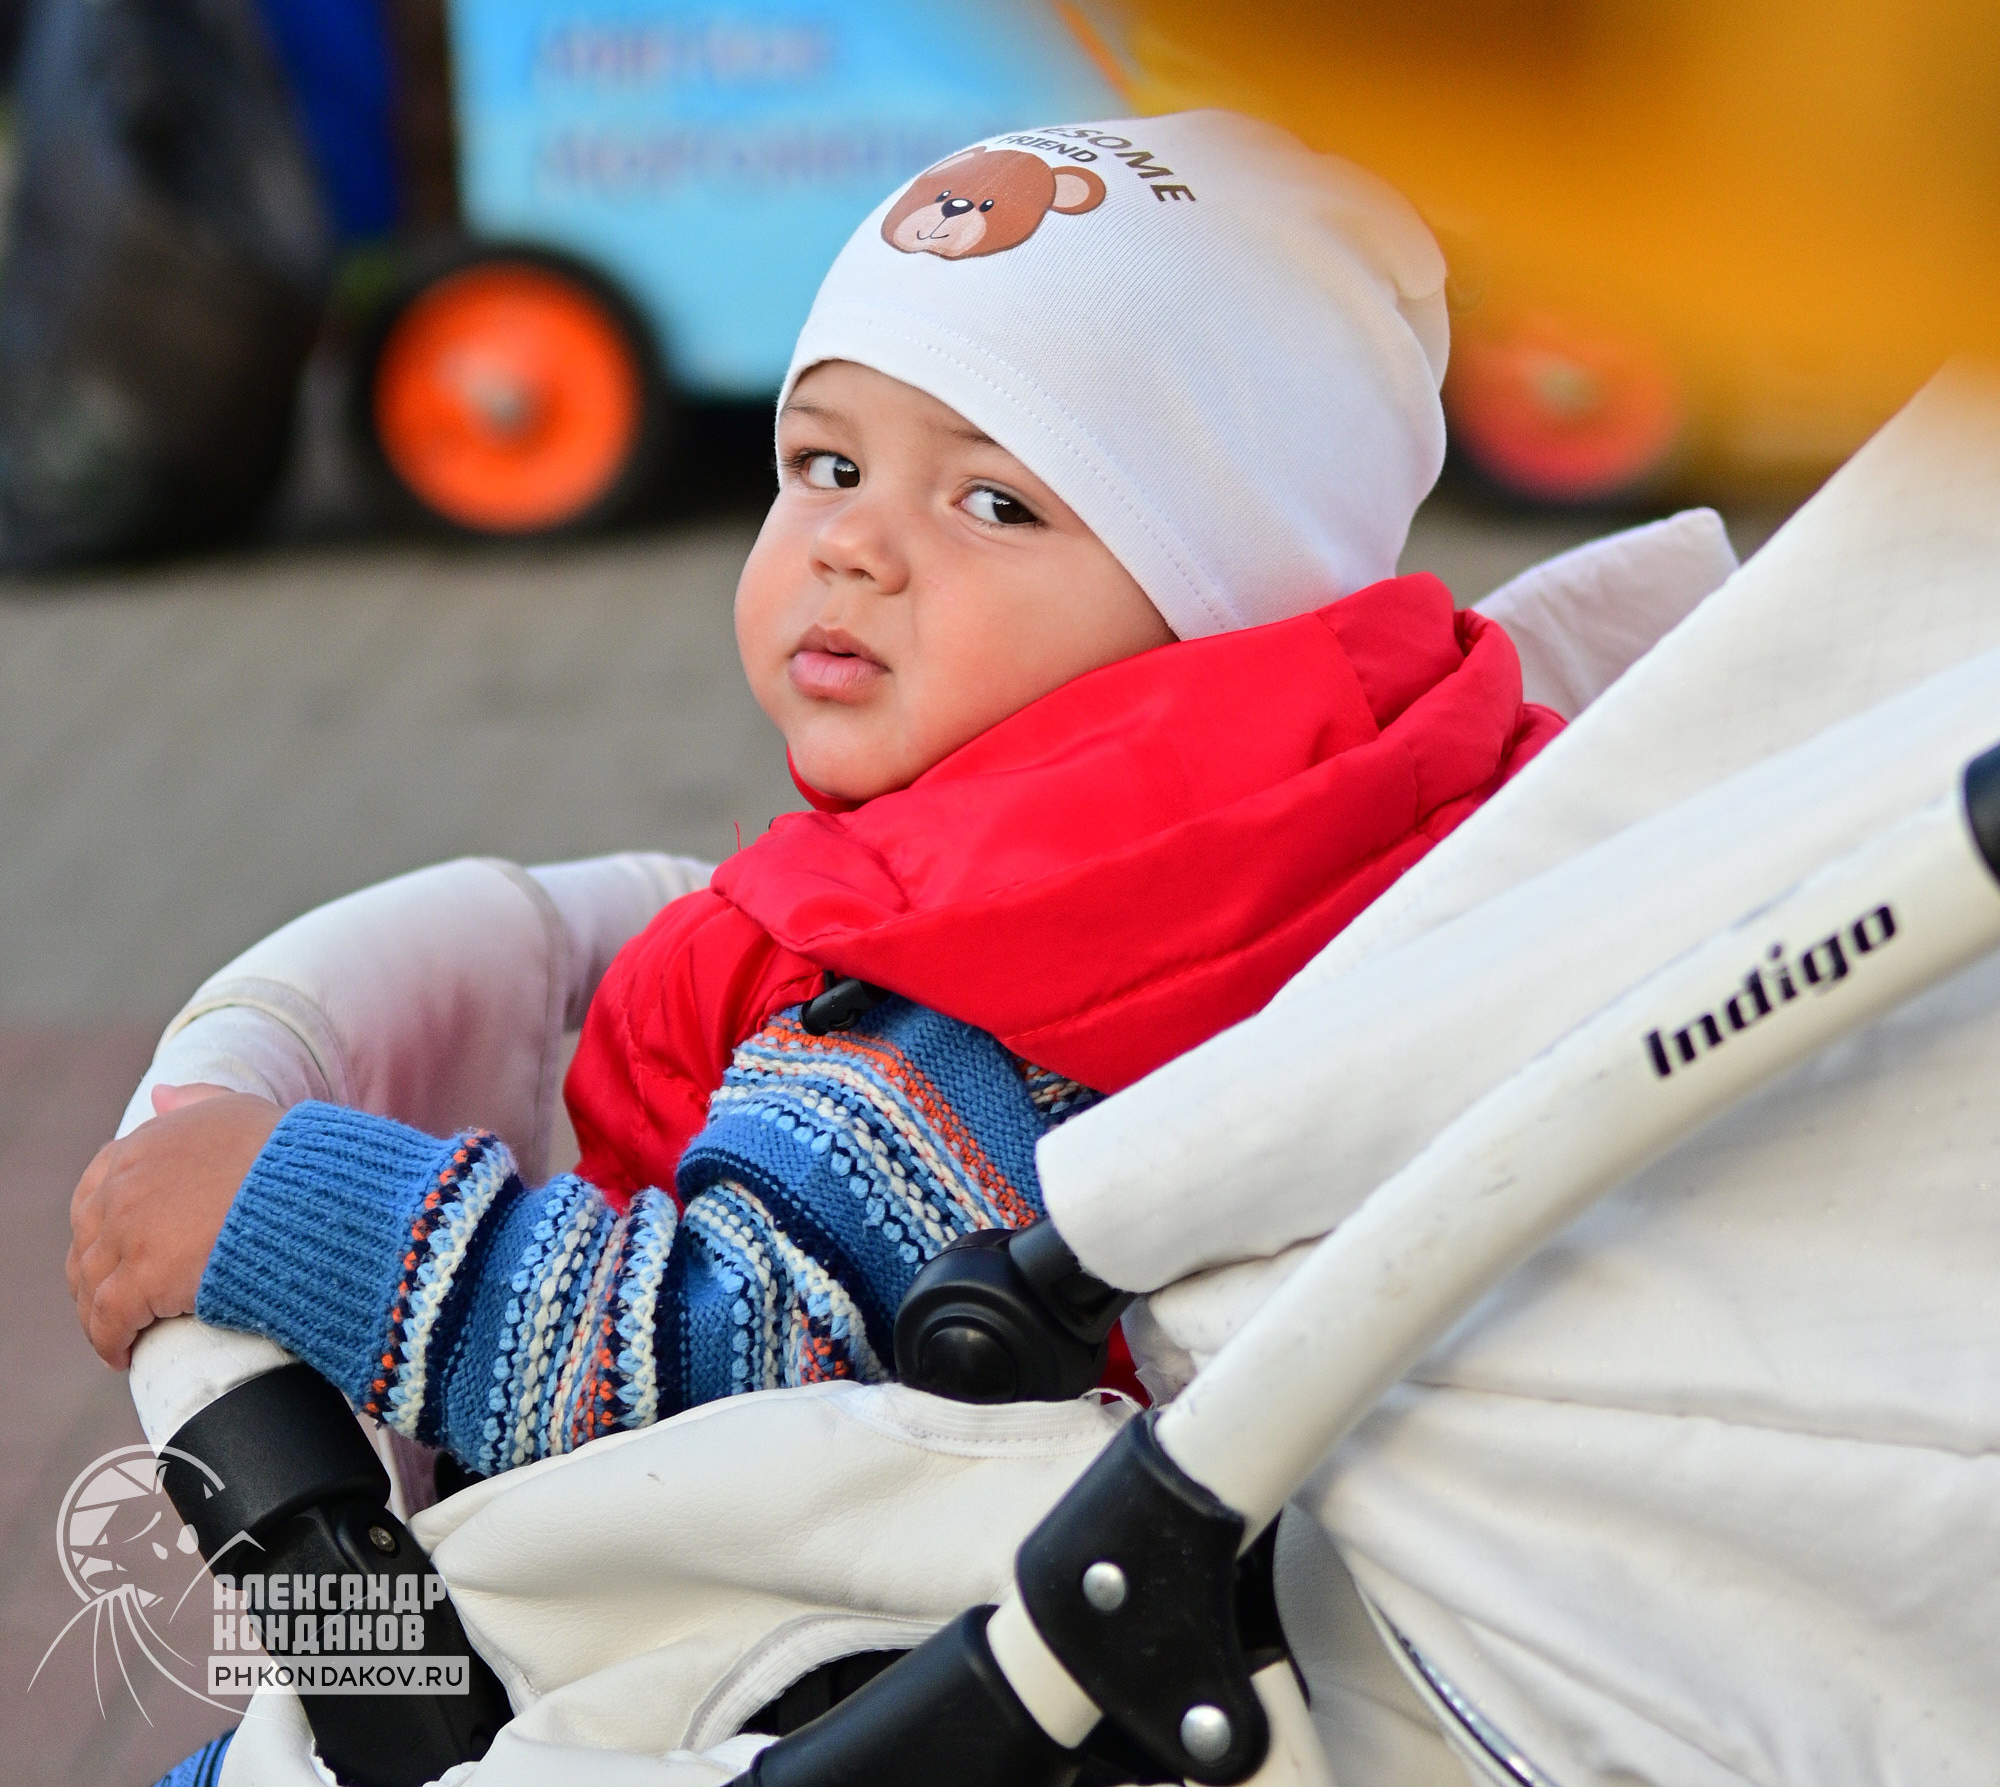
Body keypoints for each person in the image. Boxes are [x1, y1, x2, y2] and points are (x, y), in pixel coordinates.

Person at [68, 111, 1560, 1484]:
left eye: (994, 503)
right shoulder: (1316, 831)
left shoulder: (1015, 992)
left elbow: (720, 1367)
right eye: (826, 461)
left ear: (1225, 611)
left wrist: (282, 1206)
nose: (853, 545)